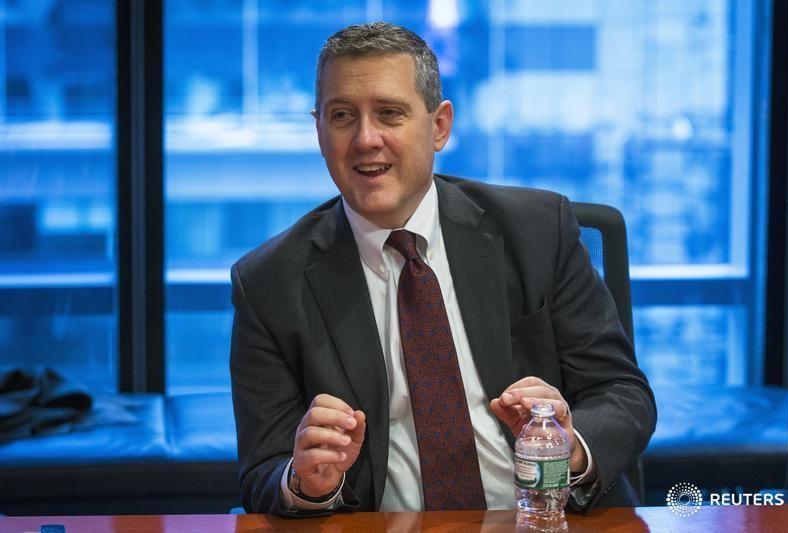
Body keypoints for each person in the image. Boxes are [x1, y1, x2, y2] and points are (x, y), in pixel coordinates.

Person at [230, 22, 656, 516]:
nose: (366, 139)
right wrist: (307, 481)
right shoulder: (267, 282)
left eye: (389, 113)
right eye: (342, 115)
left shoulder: (539, 229)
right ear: (319, 130)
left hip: (546, 519)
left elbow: (622, 393)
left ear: (439, 127)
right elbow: (263, 471)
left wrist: (565, 447)